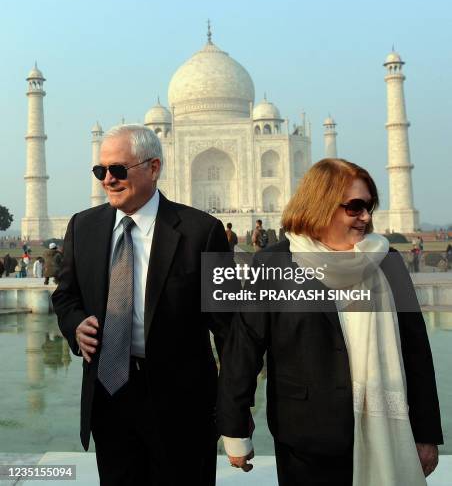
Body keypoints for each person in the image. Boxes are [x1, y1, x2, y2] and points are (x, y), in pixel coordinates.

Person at [218, 158, 442, 486]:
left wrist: (425, 434)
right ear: (321, 205)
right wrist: (235, 429)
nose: (365, 216)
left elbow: (416, 352)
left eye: (369, 206)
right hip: (306, 434)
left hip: (389, 426)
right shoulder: (275, 263)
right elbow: (244, 350)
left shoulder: (387, 262)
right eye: (355, 207)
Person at [52, 124, 232, 486]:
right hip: (110, 394)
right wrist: (76, 325)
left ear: (153, 168)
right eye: (100, 171)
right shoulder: (83, 226)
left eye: (119, 170)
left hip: (180, 403)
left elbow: (228, 328)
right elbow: (66, 295)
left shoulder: (201, 231)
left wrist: (234, 408)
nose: (108, 180)